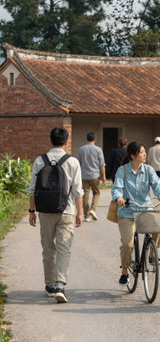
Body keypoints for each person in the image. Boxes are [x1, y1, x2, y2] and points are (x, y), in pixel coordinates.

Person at [28, 127, 83, 303]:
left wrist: (32, 211)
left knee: (48, 248)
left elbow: (32, 189)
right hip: (66, 211)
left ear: (51, 140)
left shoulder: (39, 160)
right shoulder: (72, 161)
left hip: (44, 211)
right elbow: (78, 192)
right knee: (64, 249)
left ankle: (50, 285)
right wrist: (79, 213)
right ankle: (60, 284)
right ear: (66, 141)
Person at [111, 141, 160, 285]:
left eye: (145, 152)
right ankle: (125, 271)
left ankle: (152, 254)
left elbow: (157, 185)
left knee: (158, 226)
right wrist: (119, 198)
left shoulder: (149, 170)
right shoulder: (123, 171)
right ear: (133, 155)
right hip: (127, 212)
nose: (145, 155)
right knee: (127, 244)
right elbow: (117, 187)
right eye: (142, 152)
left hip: (144, 210)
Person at [78, 132, 106, 222]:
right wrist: (104, 176)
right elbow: (102, 164)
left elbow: (79, 163)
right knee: (96, 193)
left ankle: (86, 216)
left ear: (87, 139)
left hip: (84, 175)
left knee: (85, 194)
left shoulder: (81, 149)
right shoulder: (98, 150)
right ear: (95, 139)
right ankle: (92, 209)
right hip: (95, 175)